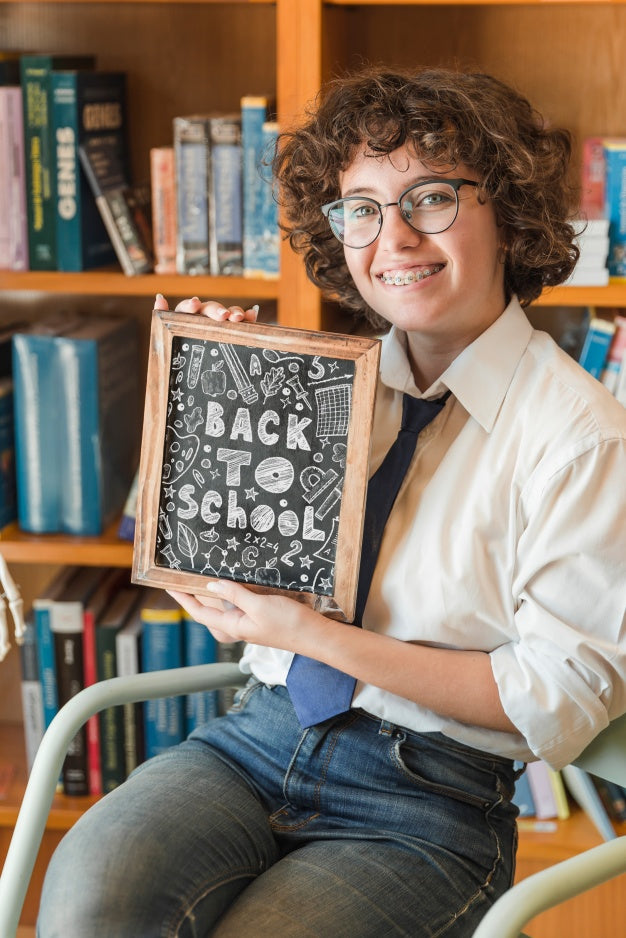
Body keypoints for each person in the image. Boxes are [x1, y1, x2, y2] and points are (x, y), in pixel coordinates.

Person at [39, 66, 626, 937]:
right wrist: (213, 393)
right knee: (92, 892)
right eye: (361, 207)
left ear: (506, 207)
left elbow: (552, 703)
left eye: (430, 197)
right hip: (256, 737)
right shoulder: (311, 384)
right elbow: (238, 588)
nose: (394, 237)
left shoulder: (582, 435)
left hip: (431, 799)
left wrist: (314, 638)